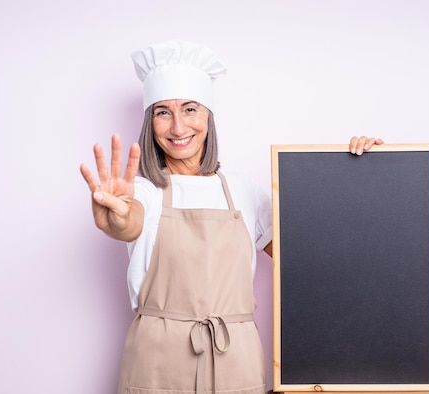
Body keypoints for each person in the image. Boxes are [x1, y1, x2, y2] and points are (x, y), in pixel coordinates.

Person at [80, 40, 383, 394]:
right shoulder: (142, 191)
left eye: (190, 109)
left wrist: (367, 176)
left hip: (235, 361)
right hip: (157, 364)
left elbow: (311, 261)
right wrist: (116, 219)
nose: (178, 127)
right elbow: (128, 221)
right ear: (151, 123)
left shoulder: (245, 190)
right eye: (163, 112)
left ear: (208, 115)